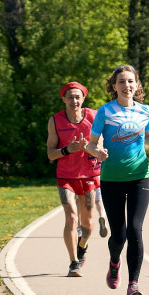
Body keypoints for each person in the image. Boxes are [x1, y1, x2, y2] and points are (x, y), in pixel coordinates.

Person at [85, 65, 149, 295]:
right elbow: (90, 143)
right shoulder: (105, 111)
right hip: (111, 179)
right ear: (114, 86)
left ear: (136, 84)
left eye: (130, 81)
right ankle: (114, 262)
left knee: (135, 230)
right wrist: (97, 151)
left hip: (140, 176)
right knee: (118, 235)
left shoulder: (145, 111)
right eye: (121, 81)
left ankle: (133, 285)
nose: (126, 85)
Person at [47, 81, 100, 277]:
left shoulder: (94, 117)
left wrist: (95, 149)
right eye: (70, 97)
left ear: (83, 98)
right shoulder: (55, 120)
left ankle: (83, 246)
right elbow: (51, 154)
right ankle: (73, 262)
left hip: (89, 175)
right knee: (70, 216)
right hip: (66, 177)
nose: (74, 100)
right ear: (63, 99)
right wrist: (66, 150)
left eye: (77, 97)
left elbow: (101, 143)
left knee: (88, 224)